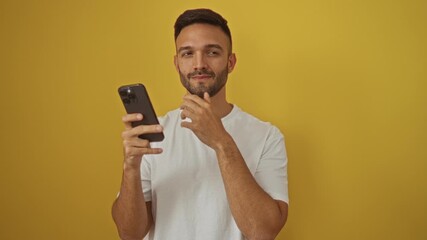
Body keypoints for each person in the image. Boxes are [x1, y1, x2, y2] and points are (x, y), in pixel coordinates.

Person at [112, 8, 289, 240]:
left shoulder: (267, 136)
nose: (199, 64)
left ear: (231, 62)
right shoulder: (154, 133)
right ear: (177, 64)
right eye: (187, 53)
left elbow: (263, 232)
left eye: (212, 52)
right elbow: (129, 234)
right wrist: (130, 168)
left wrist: (221, 142)